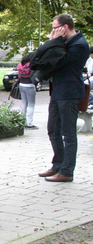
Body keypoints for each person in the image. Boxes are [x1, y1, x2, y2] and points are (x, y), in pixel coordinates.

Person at [38, 13, 89, 182]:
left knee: (68, 133)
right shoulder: (66, 43)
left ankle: (67, 171)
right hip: (58, 91)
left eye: (55, 28)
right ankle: (58, 164)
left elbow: (56, 62)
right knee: (53, 129)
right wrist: (55, 41)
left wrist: (55, 41)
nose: (52, 32)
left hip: (69, 93)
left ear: (65, 27)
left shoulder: (79, 45)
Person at [18, 53, 38, 130]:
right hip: (29, 85)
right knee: (31, 105)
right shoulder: (31, 65)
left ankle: (22, 121)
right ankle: (29, 123)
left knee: (24, 103)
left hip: (21, 84)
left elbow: (19, 76)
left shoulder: (20, 65)